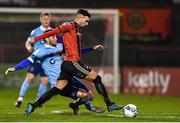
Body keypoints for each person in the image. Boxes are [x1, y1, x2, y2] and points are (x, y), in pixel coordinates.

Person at [25, 9, 123, 116]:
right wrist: (34, 40)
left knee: (57, 89)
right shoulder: (69, 26)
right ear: (79, 18)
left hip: (66, 64)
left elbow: (75, 49)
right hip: (72, 63)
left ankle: (33, 105)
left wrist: (92, 48)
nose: (87, 23)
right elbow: (52, 32)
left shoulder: (76, 31)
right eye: (86, 20)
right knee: (97, 78)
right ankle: (110, 104)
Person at [5, 30, 105, 115]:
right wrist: (15, 68)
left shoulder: (59, 46)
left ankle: (75, 105)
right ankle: (90, 108)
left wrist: (92, 48)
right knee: (84, 96)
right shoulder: (40, 51)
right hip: (59, 83)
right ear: (46, 39)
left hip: (70, 77)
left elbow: (76, 52)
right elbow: (29, 60)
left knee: (90, 96)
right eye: (52, 36)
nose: (56, 38)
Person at [14, 12, 52, 108]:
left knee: (45, 81)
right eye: (44, 19)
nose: (46, 20)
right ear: (41, 19)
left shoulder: (53, 31)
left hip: (47, 62)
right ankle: (20, 99)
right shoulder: (35, 32)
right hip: (36, 60)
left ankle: (38, 101)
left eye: (47, 19)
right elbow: (28, 42)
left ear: (50, 19)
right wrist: (28, 47)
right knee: (29, 78)